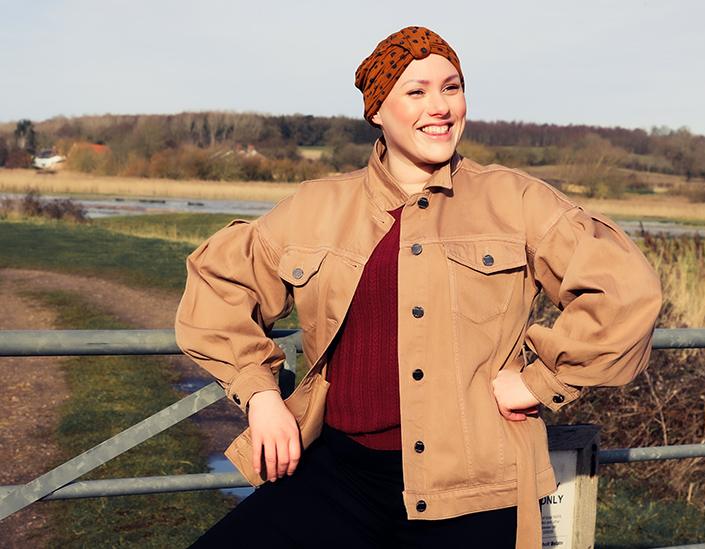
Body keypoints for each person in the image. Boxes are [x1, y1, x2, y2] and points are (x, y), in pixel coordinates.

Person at [175, 25, 662, 549]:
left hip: (473, 491)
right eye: (417, 91)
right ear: (378, 110)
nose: (441, 106)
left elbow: (625, 290)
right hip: (339, 473)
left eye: (452, 88)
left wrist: (542, 382)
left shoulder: (515, 200)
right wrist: (261, 395)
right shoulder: (316, 207)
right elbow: (219, 283)